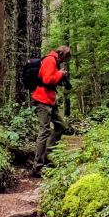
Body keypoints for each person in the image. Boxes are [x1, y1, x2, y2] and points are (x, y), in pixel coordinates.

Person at [30, 45, 71, 175]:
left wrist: (60, 75)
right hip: (42, 100)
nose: (64, 62)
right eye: (65, 59)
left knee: (60, 126)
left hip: (50, 100)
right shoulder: (50, 60)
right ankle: (37, 167)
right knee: (44, 131)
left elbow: (51, 79)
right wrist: (60, 73)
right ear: (62, 54)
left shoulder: (54, 61)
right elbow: (47, 80)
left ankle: (47, 155)